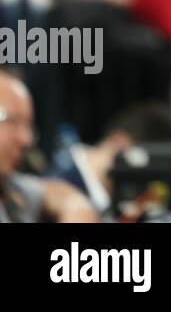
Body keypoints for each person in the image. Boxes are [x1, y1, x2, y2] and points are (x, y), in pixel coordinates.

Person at [0, 68, 98, 222]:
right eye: (13, 121)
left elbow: (61, 195)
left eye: (28, 126)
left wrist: (78, 210)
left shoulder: (7, 186)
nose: (27, 139)